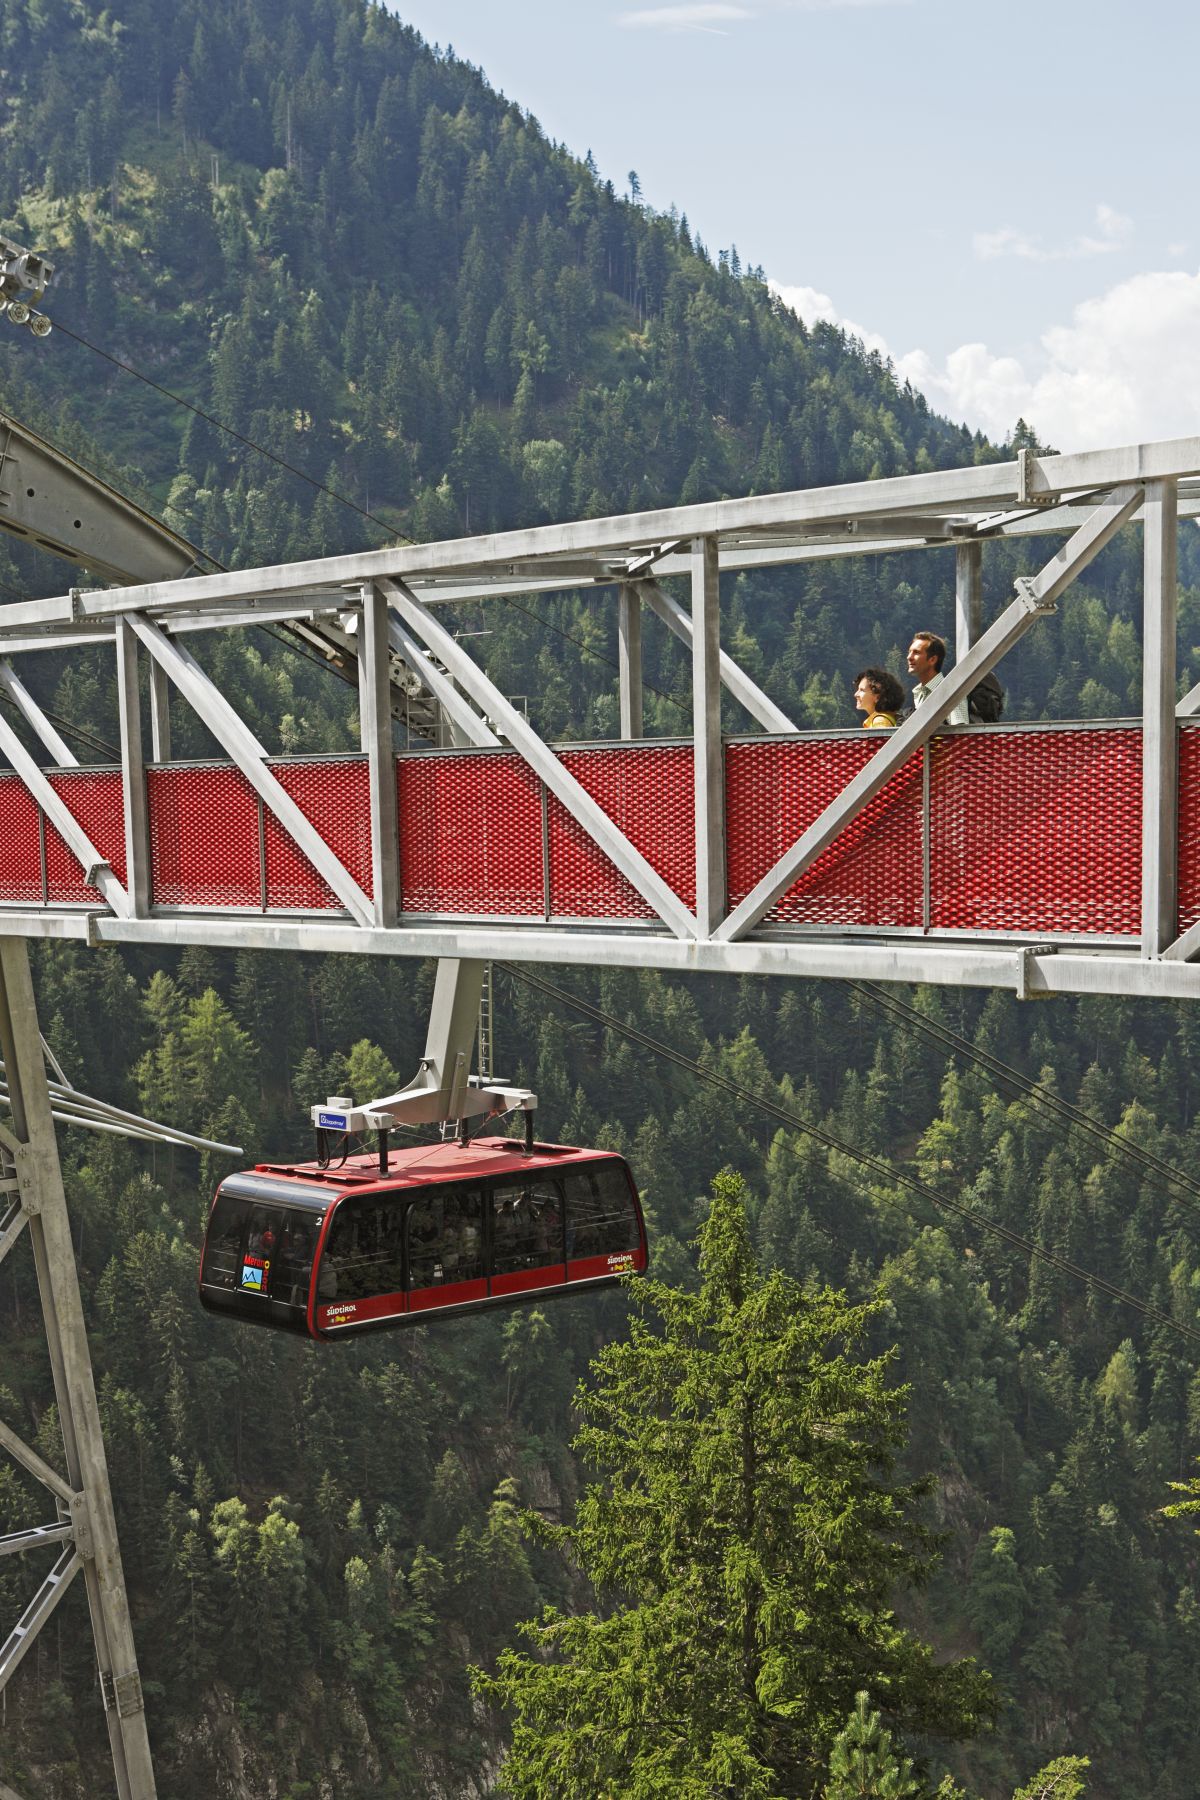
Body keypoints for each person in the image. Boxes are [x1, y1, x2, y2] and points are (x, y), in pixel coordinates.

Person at [906, 632, 968, 726]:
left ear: (933, 660)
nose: (909, 657)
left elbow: (959, 732)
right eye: (909, 652)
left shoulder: (949, 691)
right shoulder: (919, 692)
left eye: (916, 652)